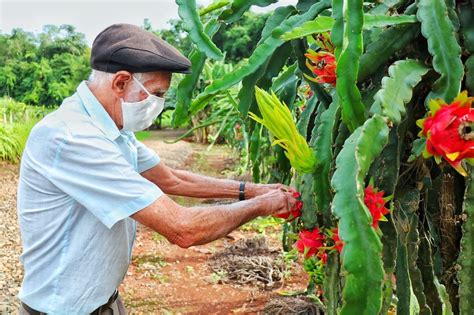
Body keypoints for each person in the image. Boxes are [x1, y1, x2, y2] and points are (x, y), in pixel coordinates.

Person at [17, 23, 298, 314]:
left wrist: (253, 190)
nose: (159, 104)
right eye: (157, 93)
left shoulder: (112, 127)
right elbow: (183, 228)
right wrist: (262, 205)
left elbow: (172, 179)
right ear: (121, 83)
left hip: (106, 302)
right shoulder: (72, 137)